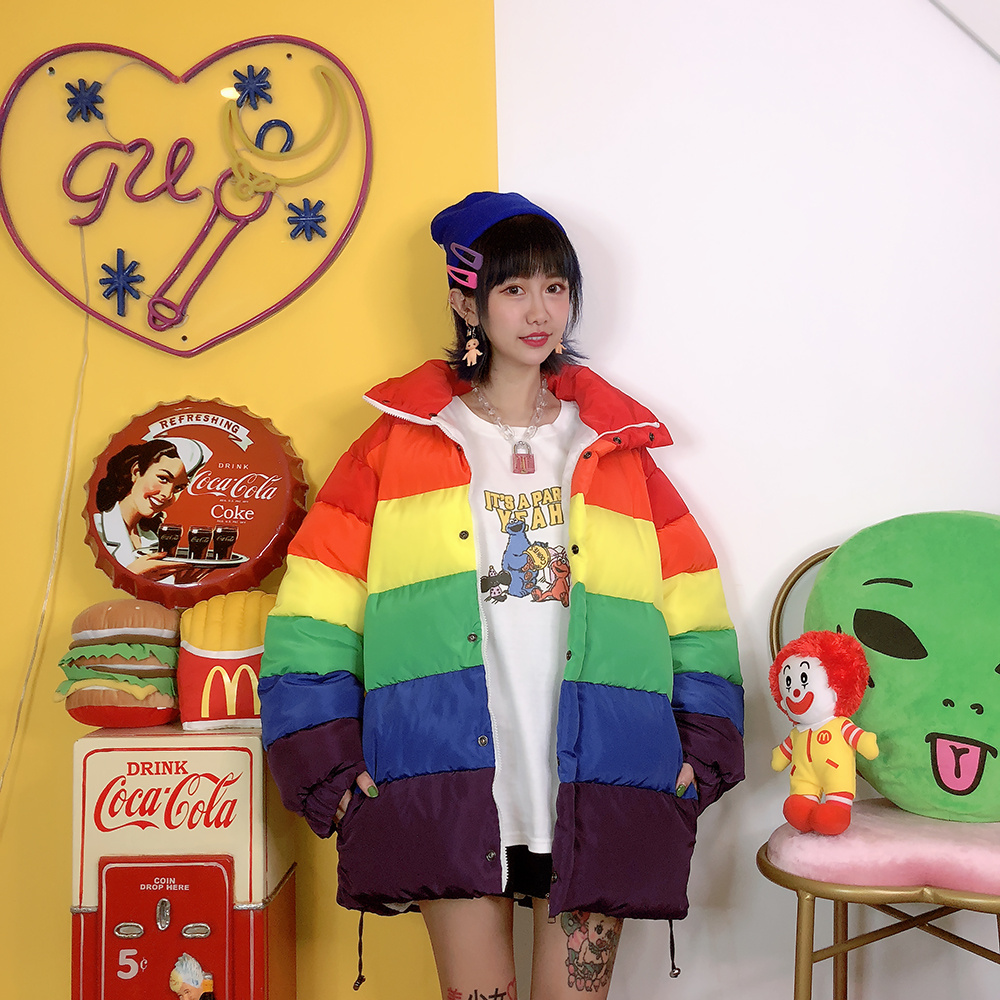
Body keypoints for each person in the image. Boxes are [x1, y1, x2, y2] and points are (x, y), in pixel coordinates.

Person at [259, 192, 744, 999]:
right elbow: (316, 612)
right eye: (514, 289)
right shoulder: (396, 445)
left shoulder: (612, 446)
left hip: (604, 775)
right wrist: (327, 768)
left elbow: (693, 607)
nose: (540, 311)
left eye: (556, 287)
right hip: (442, 778)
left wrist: (702, 750)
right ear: (466, 302)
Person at [93, 436, 211, 583]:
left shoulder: (152, 538)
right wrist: (134, 574)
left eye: (178, 488)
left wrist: (180, 583)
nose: (167, 494)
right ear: (136, 471)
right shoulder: (98, 530)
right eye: (163, 478)